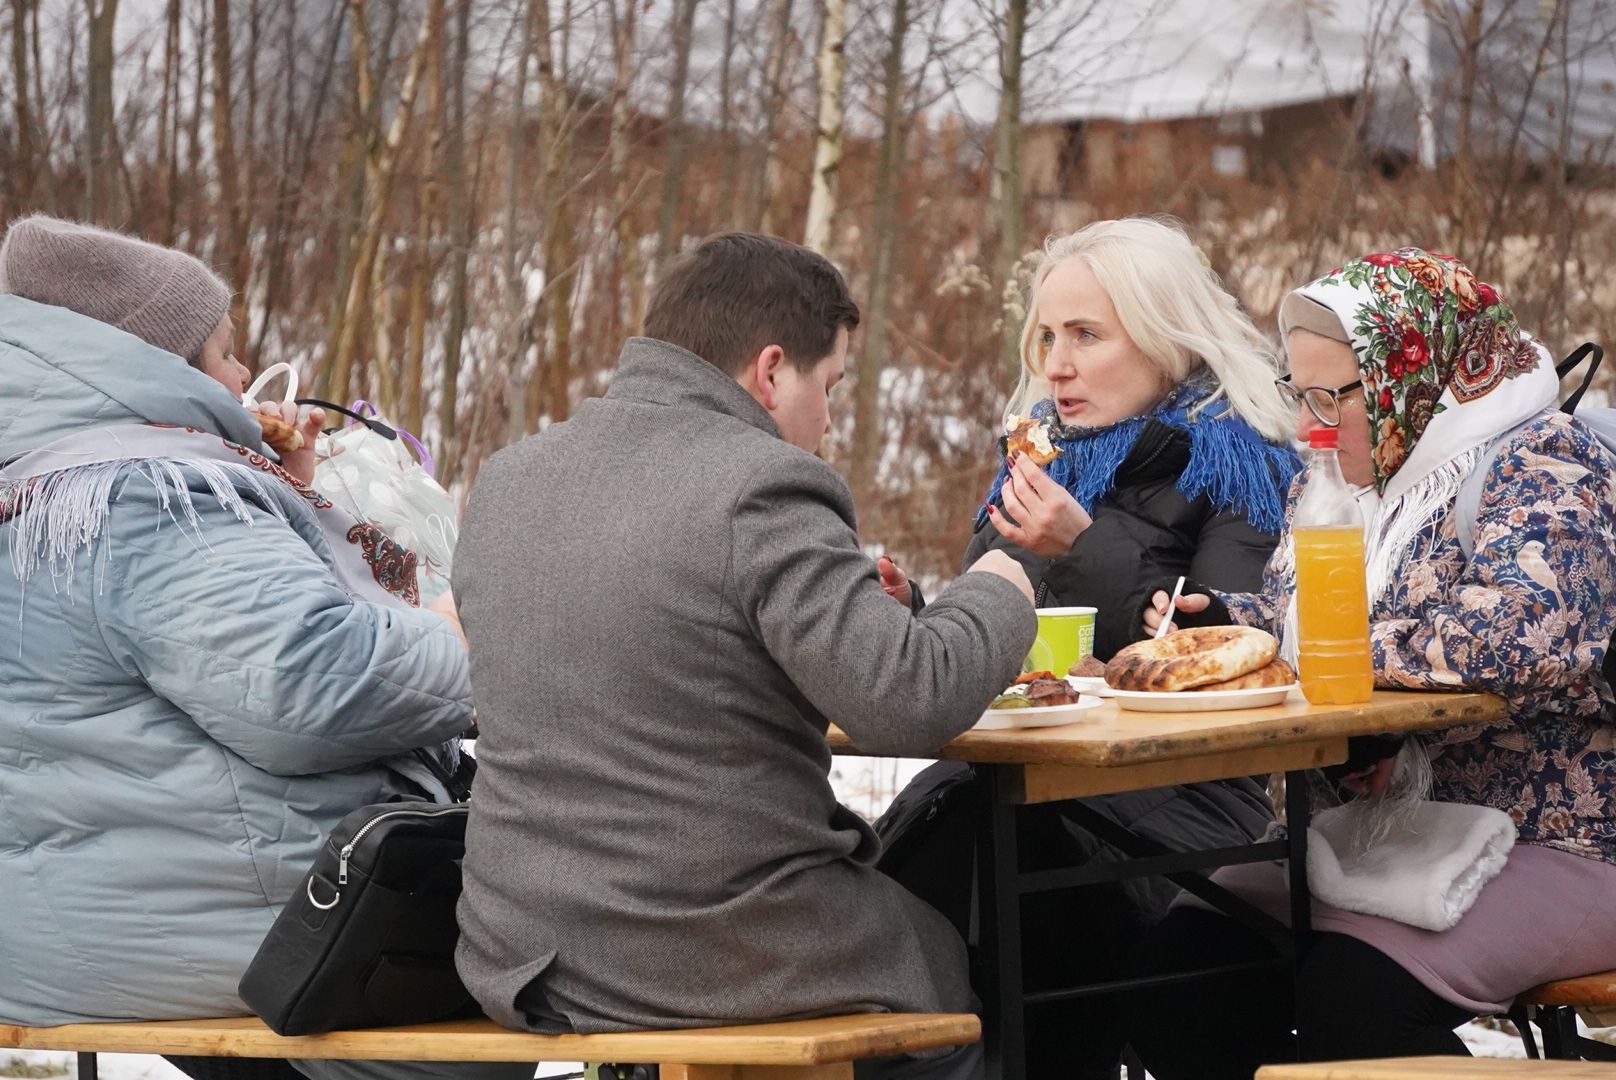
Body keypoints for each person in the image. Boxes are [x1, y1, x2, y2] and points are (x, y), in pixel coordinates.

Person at [452, 232, 1036, 1080]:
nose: (830, 420)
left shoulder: (510, 478)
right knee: (958, 963)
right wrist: (1000, 585)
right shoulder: (759, 483)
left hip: (522, 944)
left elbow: (666, 647)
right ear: (770, 373)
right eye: (829, 386)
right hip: (707, 941)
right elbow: (909, 695)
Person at [0, 215, 515, 1080]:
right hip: (250, 931)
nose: (244, 375)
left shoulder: (48, 479)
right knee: (537, 958)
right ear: (157, 363)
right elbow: (313, 683)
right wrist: (486, 640)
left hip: (94, 917)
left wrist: (292, 503)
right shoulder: (153, 497)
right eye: (226, 352)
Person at [1129, 248, 1616, 1075]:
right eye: (1300, 394)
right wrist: (1235, 627)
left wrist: (1308, 649)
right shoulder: (1338, 483)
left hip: (1558, 839)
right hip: (1373, 834)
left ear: (1411, 376)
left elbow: (1523, 634)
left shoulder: (1545, 460)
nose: (1313, 421)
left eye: (1335, 395)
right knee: (1185, 973)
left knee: (1354, 1002)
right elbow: (1309, 619)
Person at [876, 217, 1302, 1080]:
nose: (1054, 365)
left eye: (1085, 335)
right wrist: (916, 610)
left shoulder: (1239, 459)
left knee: (983, 868)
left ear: (1164, 336)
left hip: (1180, 800)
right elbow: (990, 638)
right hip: (1014, 782)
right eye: (1045, 337)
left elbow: (1226, 656)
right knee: (911, 872)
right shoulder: (1044, 457)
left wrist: (1083, 546)